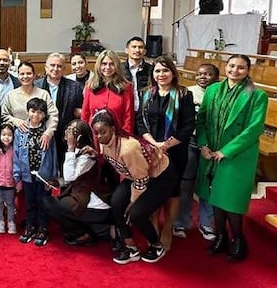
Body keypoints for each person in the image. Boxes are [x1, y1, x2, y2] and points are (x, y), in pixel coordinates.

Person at [197, 55, 267, 262]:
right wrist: (204, 145)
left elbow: (254, 129)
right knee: (215, 199)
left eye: (241, 68)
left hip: (237, 155)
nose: (235, 71)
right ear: (225, 67)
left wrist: (226, 151)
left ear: (248, 70)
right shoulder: (212, 90)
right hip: (212, 151)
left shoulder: (257, 95)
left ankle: (238, 240)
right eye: (232, 66)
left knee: (231, 201)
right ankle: (221, 237)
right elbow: (201, 120)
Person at [89, 109, 178, 264]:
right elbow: (114, 161)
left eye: (103, 132)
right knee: (116, 202)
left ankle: (157, 246)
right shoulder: (105, 143)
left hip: (161, 176)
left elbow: (142, 179)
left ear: (113, 129)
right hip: (136, 174)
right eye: (96, 133)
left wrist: (132, 202)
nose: (99, 136)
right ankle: (131, 247)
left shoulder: (128, 148)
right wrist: (95, 154)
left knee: (136, 214)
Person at [135, 56, 196, 251]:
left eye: (165, 70)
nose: (161, 75)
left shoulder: (183, 94)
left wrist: (166, 145)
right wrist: (154, 144)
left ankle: (168, 227)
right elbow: (140, 122)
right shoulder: (146, 93)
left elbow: (188, 126)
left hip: (175, 150)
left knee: (173, 191)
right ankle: (154, 225)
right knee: (152, 188)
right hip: (150, 149)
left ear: (173, 73)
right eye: (157, 71)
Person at [43, 119, 114, 246]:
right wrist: (56, 182)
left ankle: (83, 234)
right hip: (81, 196)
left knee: (53, 205)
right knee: (50, 201)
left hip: (94, 204)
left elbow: (70, 176)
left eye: (72, 131)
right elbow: (70, 178)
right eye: (67, 129)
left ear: (80, 136)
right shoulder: (75, 151)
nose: (68, 133)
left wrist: (70, 148)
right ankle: (86, 230)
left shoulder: (87, 155)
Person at [174, 63, 219, 241]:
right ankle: (181, 222)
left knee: (207, 185)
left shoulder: (219, 93)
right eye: (200, 74)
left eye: (208, 74)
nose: (203, 77)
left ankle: (206, 223)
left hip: (211, 143)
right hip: (190, 142)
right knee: (185, 184)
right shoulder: (187, 92)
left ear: (216, 77)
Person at [14, 98, 57, 246]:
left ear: (44, 115)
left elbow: (53, 155)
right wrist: (17, 173)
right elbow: (18, 153)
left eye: (39, 113)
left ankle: (43, 228)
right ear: (28, 112)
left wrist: (52, 177)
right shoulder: (22, 132)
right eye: (33, 111)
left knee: (43, 201)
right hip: (27, 174)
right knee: (30, 202)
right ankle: (30, 226)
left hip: (43, 176)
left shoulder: (47, 133)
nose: (36, 115)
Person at [34, 53, 84, 173]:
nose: (55, 69)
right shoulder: (36, 86)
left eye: (59, 66)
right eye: (52, 65)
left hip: (65, 136)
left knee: (64, 171)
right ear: (46, 67)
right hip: (41, 134)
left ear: (64, 69)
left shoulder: (75, 87)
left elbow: (79, 111)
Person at [2, 62, 58, 152]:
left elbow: (53, 115)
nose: (25, 76)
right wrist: (16, 121)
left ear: (34, 75)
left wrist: (48, 132)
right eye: (22, 74)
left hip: (41, 139)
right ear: (18, 76)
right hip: (18, 139)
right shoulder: (11, 95)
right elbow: (4, 115)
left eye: (28, 73)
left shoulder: (43, 94)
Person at [81, 49, 134, 133]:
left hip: (117, 136)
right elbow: (85, 114)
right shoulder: (90, 86)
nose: (108, 67)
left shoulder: (126, 87)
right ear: (99, 66)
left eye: (111, 64)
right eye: (104, 64)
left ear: (117, 66)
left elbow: (128, 116)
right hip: (94, 135)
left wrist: (125, 138)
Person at [123, 37, 152, 116]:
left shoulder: (151, 70)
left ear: (145, 51)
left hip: (145, 111)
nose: (137, 50)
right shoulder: (119, 69)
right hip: (124, 111)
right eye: (134, 47)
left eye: (140, 47)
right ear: (126, 50)